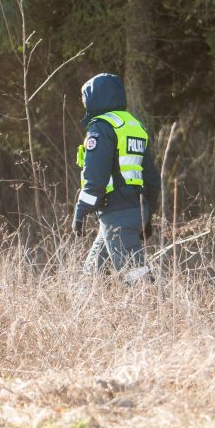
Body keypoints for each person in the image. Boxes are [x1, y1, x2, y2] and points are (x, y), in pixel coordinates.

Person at [71, 73, 161, 284]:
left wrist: (80, 212)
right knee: (90, 279)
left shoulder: (101, 127)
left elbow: (95, 178)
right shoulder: (134, 126)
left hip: (116, 214)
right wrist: (147, 215)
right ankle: (81, 315)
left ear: (94, 99)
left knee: (139, 283)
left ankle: (164, 315)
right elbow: (152, 179)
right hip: (134, 211)